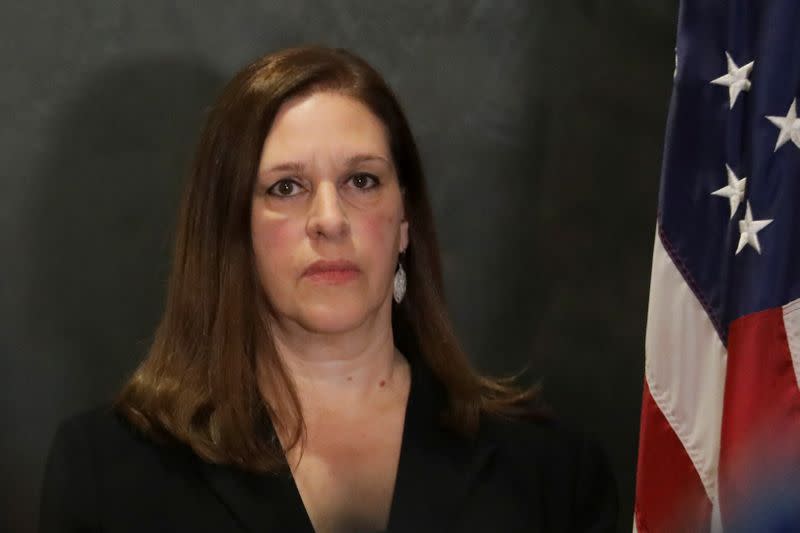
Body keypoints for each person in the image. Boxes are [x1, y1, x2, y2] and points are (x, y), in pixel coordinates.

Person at [39, 45, 618, 533]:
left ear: (404, 222)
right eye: (286, 187)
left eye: (361, 180)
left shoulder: (550, 470)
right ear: (230, 226)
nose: (330, 219)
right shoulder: (108, 470)